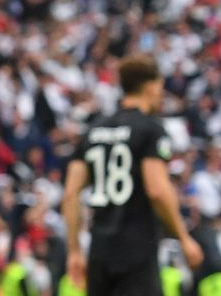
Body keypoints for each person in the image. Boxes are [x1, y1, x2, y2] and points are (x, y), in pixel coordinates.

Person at [61, 54, 204, 296]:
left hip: (99, 250)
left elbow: (70, 194)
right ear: (150, 86)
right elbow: (157, 189)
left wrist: (74, 250)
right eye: (160, 86)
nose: (161, 92)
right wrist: (183, 237)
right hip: (136, 250)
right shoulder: (150, 129)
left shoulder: (94, 131)